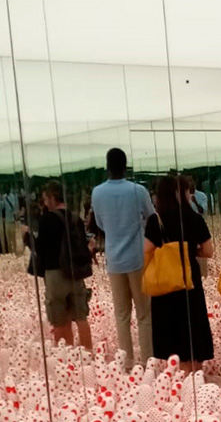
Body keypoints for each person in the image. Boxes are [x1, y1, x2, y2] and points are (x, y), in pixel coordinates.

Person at [91, 148, 154, 368]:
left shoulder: (97, 193)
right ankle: (148, 361)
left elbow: (99, 223)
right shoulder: (138, 191)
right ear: (126, 166)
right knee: (144, 314)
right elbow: (151, 217)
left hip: (114, 259)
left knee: (121, 315)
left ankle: (126, 363)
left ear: (107, 166)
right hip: (137, 258)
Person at [143, 176, 214, 371]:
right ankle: (195, 371)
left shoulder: (155, 221)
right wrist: (190, 251)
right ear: (179, 193)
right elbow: (208, 251)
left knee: (170, 328)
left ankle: (178, 372)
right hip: (189, 279)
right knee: (192, 325)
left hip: (165, 283)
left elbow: (146, 250)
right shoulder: (194, 218)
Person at [35, 181, 93, 350]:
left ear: (52, 198)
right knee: (81, 317)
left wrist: (27, 237)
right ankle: (88, 353)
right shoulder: (76, 219)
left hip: (55, 274)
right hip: (75, 273)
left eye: (46, 199)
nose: (45, 203)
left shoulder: (47, 220)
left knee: (59, 321)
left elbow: (40, 249)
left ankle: (65, 355)